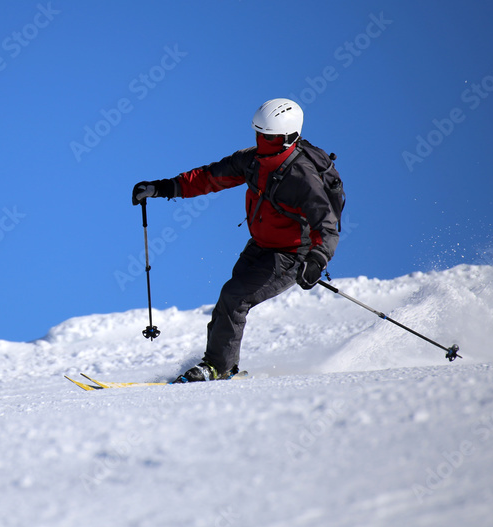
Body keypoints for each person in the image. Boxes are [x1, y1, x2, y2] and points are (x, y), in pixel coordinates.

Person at [132, 98, 340, 383]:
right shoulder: (252, 160)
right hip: (260, 246)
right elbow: (209, 177)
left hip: (293, 254)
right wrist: (163, 187)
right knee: (228, 300)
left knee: (235, 297)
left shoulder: (302, 177)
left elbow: (327, 225)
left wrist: (316, 259)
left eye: (269, 137)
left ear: (287, 138)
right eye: (258, 134)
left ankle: (217, 368)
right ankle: (219, 364)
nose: (261, 141)